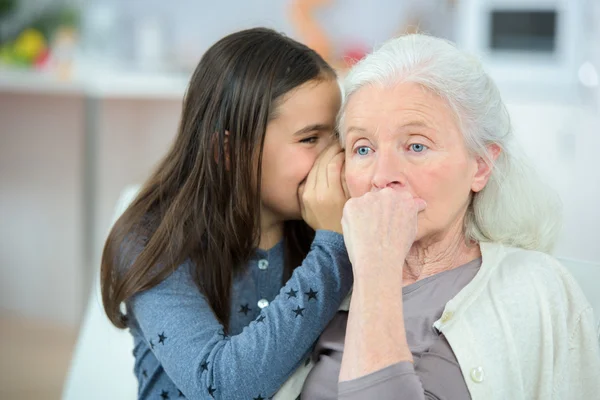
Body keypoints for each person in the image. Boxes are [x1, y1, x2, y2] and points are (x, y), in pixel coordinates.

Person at [301, 34, 600, 399]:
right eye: (363, 148)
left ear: (480, 166)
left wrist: (378, 265)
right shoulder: (322, 281)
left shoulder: (537, 287)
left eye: (416, 145)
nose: (382, 176)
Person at [100, 27, 353, 400]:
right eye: (311, 139)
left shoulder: (317, 229)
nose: (336, 160)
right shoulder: (152, 241)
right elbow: (222, 386)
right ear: (229, 152)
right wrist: (334, 247)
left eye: (337, 136)